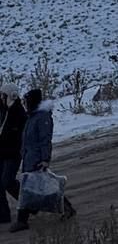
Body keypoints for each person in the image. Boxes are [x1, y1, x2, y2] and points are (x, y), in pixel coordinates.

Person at [9, 89, 74, 232]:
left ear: (32, 102)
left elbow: (45, 140)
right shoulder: (32, 117)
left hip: (37, 158)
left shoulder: (42, 117)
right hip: (29, 157)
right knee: (40, 187)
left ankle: (22, 220)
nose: (25, 104)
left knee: (31, 187)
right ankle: (67, 208)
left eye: (26, 101)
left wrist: (45, 159)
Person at [0, 85, 24, 227]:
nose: (1, 98)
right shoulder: (4, 110)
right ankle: (3, 215)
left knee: (7, 182)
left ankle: (28, 204)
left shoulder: (18, 112)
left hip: (12, 154)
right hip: (2, 152)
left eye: (3, 96)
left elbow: (17, 136)